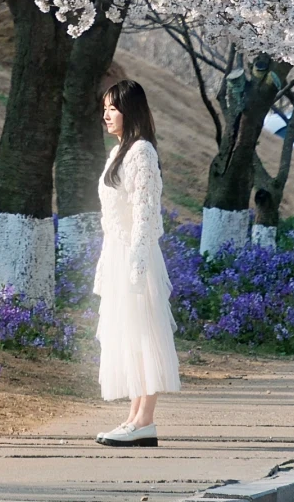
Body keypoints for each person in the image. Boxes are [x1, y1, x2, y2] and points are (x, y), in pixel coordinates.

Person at [93, 78, 180, 446]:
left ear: (131, 111)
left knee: (144, 333)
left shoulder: (141, 151)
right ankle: (134, 417)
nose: (106, 115)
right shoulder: (119, 152)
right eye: (105, 109)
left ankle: (145, 420)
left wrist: (137, 264)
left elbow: (145, 212)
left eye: (113, 109)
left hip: (135, 254)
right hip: (117, 252)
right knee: (127, 335)